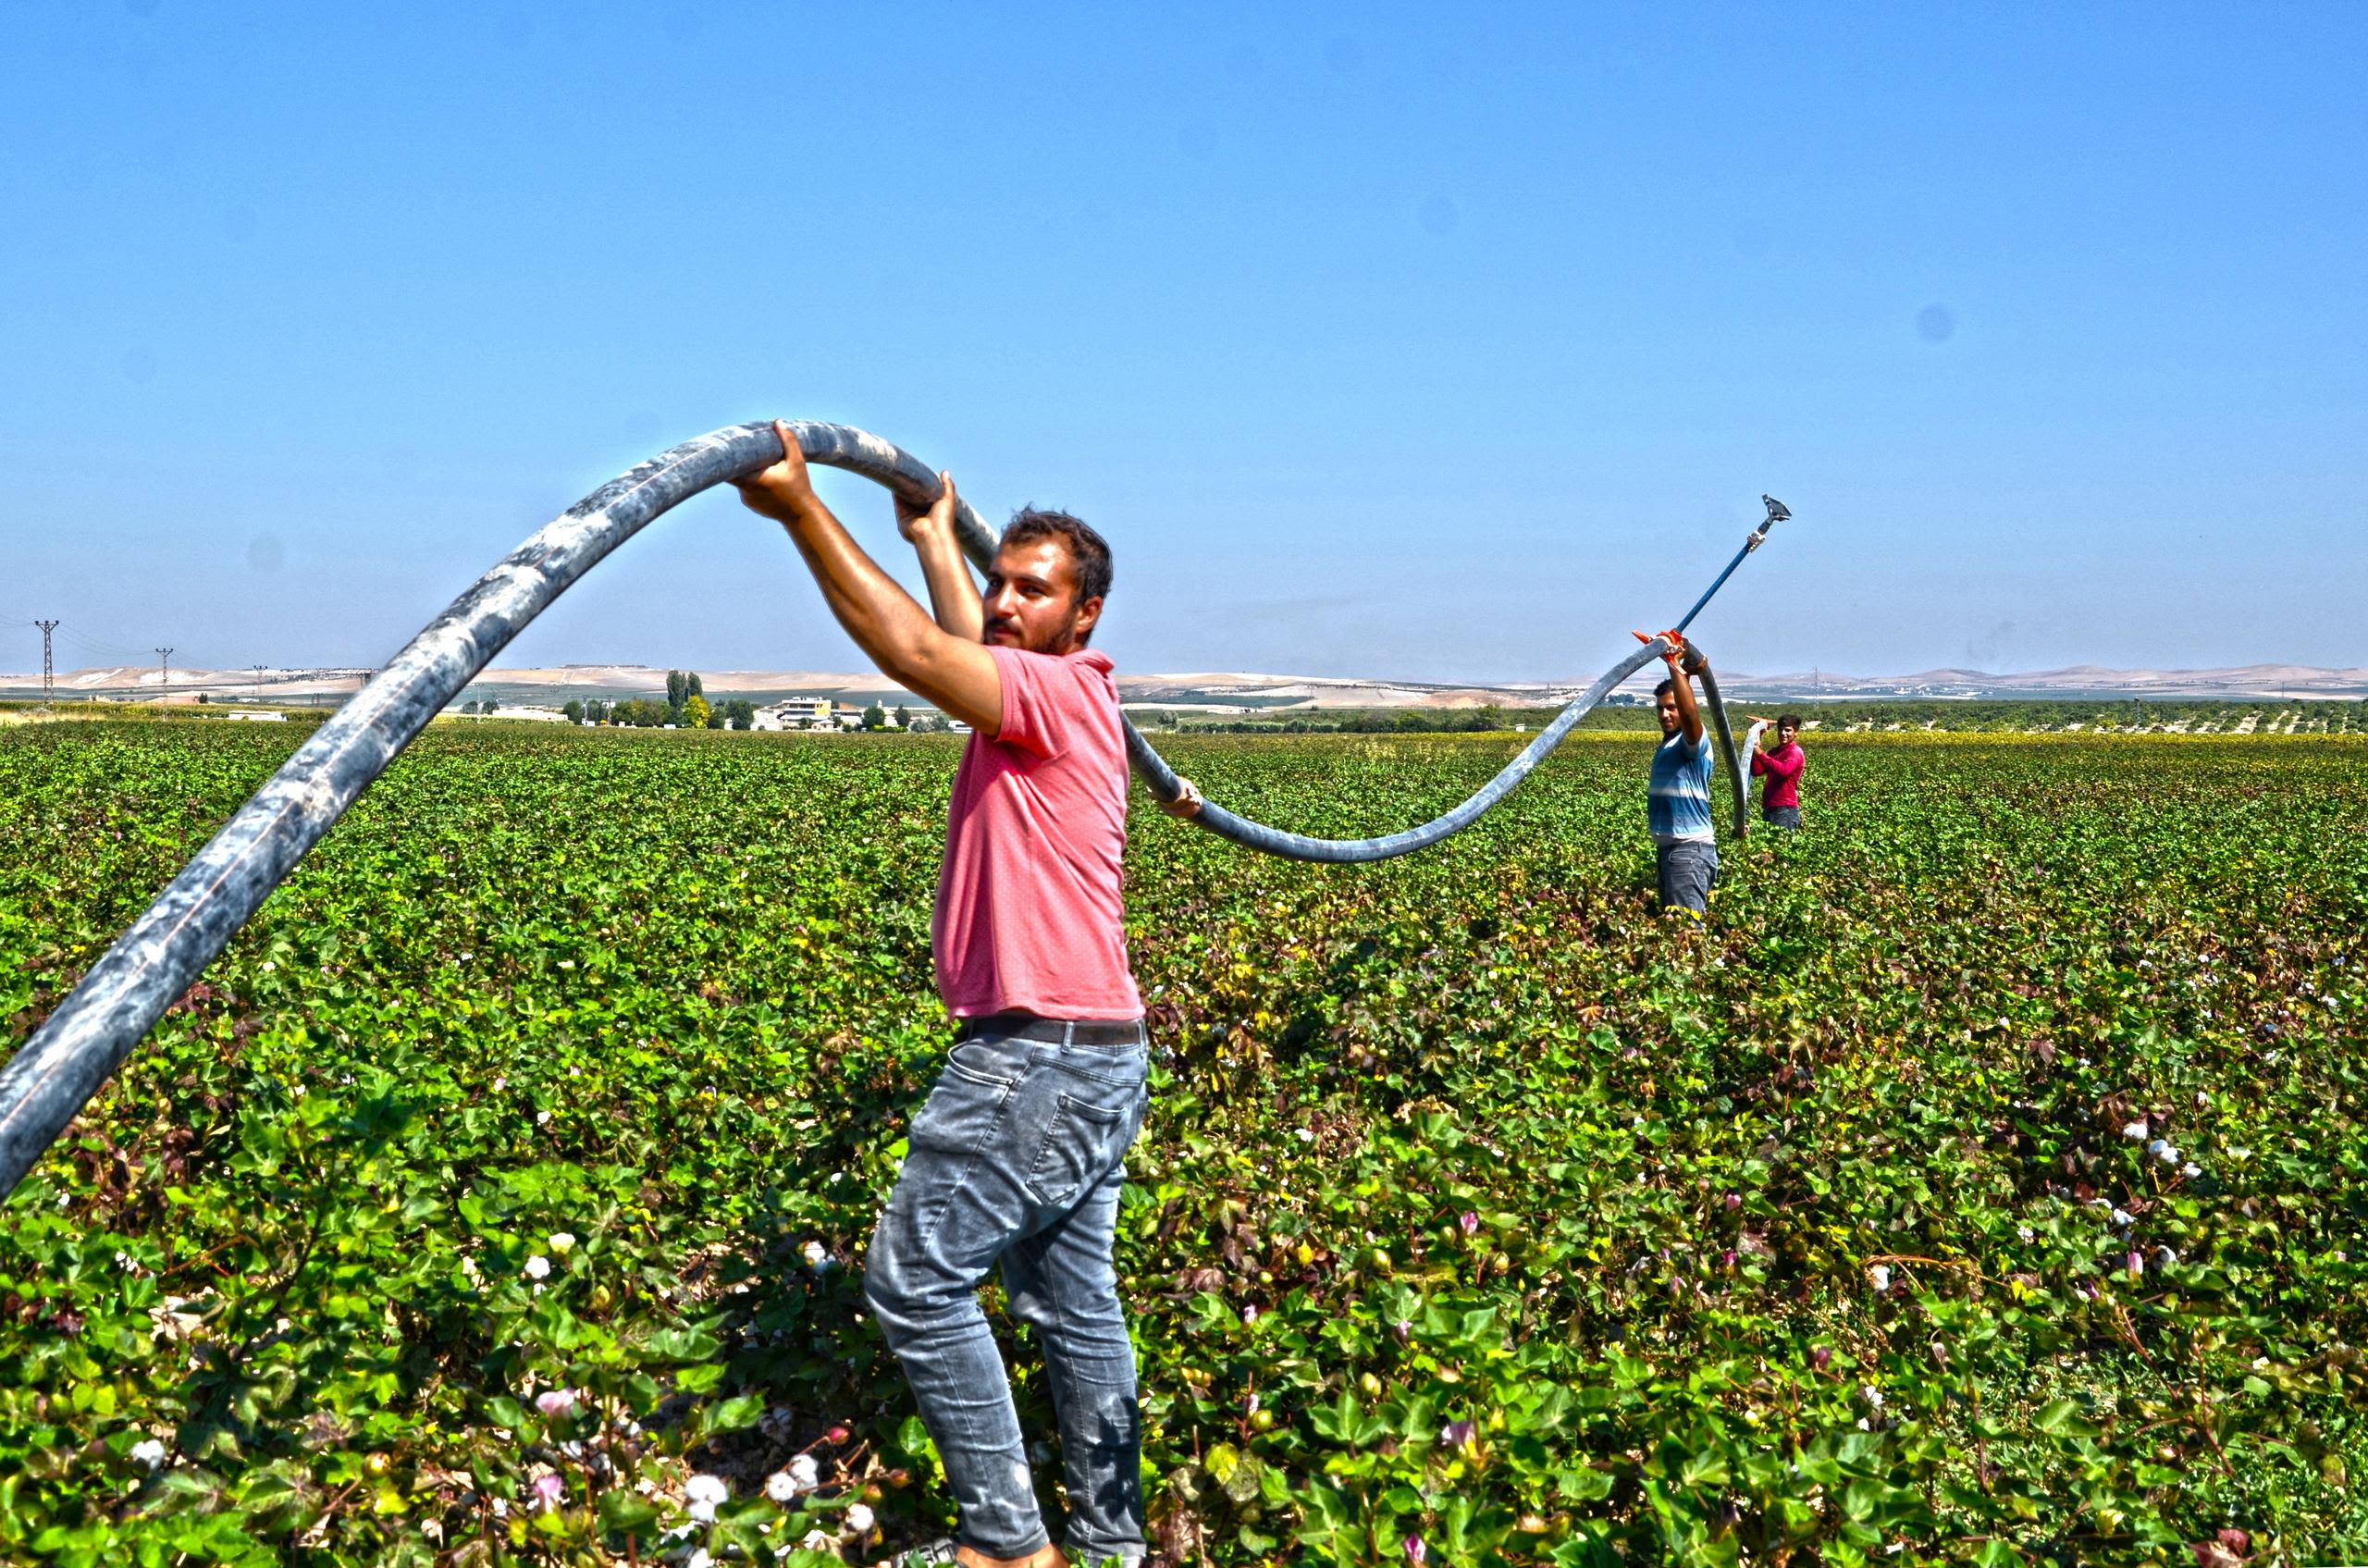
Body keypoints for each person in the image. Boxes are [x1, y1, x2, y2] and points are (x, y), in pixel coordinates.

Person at [734, 422, 1193, 1568]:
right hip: (1093, 1047)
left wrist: (801, 510)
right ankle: (1108, 1545)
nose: (1005, 603)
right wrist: (940, 539)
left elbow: (916, 655)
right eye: (1000, 582)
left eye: (1032, 591)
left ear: (1084, 616)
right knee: (1072, 1300)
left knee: (918, 1282)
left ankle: (1007, 1548)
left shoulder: (1055, 695)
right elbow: (960, 640)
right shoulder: (1051, 693)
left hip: (1037, 1055)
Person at [1634, 628, 1717, 914]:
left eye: (1671, 708)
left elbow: (1691, 713)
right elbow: (1685, 708)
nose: (1665, 714)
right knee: (1674, 932)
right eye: (1660, 709)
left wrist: (1673, 664)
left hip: (1688, 853)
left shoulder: (1692, 742)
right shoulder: (1668, 743)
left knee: (1686, 935)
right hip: (1671, 852)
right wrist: (1686, 672)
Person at [1744, 712, 1806, 828]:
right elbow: (1757, 771)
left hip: (1785, 809)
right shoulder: (1774, 752)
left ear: (1796, 733)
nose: (1783, 733)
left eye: (1788, 730)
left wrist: (1760, 753)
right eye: (1781, 730)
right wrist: (1758, 742)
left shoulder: (1795, 752)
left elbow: (1784, 771)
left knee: (1782, 844)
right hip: (1769, 807)